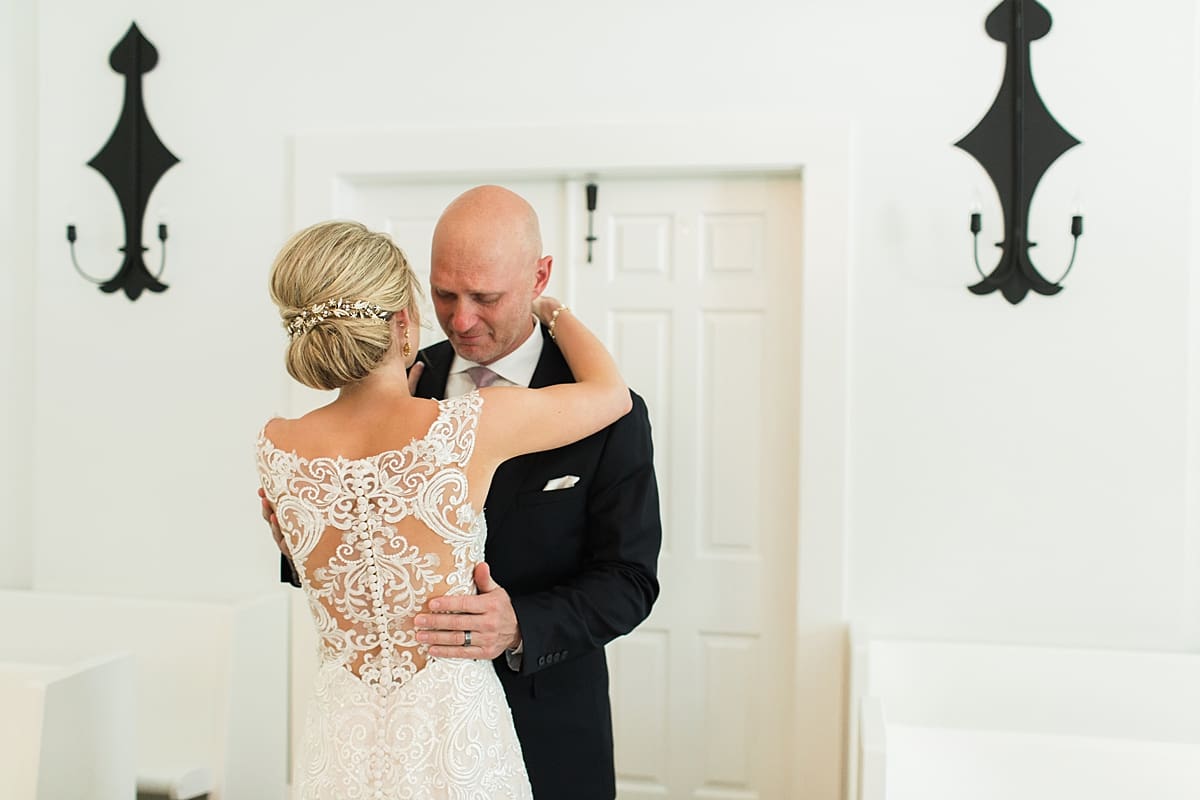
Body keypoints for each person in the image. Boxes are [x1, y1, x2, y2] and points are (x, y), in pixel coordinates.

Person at [256, 218, 632, 799]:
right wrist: (555, 311)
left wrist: (519, 626)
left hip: (349, 740)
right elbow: (612, 393)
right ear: (404, 319)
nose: (460, 319)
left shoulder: (277, 443)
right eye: (443, 295)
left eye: (485, 297)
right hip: (457, 736)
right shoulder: (474, 420)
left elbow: (630, 576)